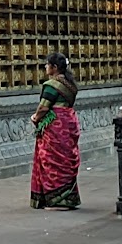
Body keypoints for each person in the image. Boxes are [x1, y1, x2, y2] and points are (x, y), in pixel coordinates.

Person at [30, 53, 81, 210]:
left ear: (54, 67)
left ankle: (57, 200)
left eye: (47, 64)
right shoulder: (70, 85)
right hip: (68, 124)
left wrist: (35, 117)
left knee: (52, 159)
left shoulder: (52, 85)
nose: (45, 67)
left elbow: (44, 107)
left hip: (55, 126)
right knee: (65, 158)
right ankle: (68, 198)